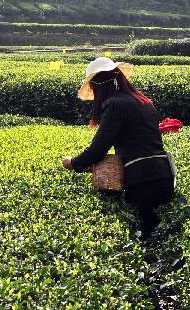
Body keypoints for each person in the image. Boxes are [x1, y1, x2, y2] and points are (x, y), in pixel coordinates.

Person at [62, 56, 175, 237]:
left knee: (144, 239)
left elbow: (98, 148)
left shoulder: (115, 104)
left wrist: (74, 163)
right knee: (159, 234)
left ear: (100, 84)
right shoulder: (142, 101)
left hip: (142, 182)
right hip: (164, 175)